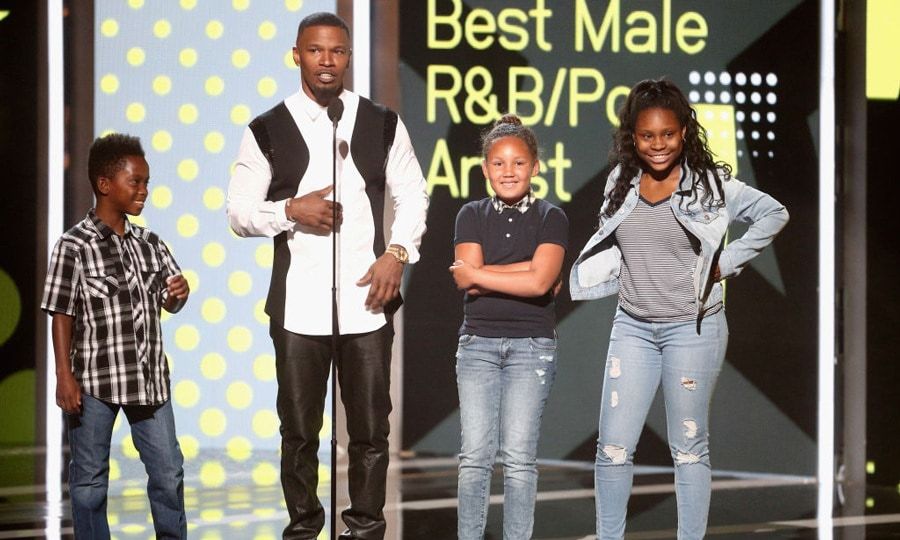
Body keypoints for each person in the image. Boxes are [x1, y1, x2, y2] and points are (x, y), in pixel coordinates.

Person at [226, 11, 428, 540]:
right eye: (315, 51)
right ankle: (303, 528)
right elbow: (239, 213)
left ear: (348, 57)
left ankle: (364, 529)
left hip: (367, 302)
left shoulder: (381, 122)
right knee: (298, 433)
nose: (327, 61)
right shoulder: (266, 129)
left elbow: (413, 194)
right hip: (298, 308)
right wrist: (290, 210)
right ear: (297, 54)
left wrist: (397, 252)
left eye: (337, 51)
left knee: (369, 434)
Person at [569, 78, 789, 539]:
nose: (658, 145)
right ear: (632, 136)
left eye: (667, 134)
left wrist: (725, 263)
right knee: (611, 448)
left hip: (692, 329)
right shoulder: (620, 181)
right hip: (631, 327)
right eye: (647, 135)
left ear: (684, 131)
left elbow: (774, 212)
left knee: (688, 449)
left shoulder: (710, 185)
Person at [41, 133, 190, 539]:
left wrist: (178, 294)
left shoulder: (150, 244)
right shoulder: (73, 246)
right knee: (89, 483)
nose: (144, 190)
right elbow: (61, 312)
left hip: (149, 382)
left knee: (168, 474)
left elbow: (169, 300)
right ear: (105, 184)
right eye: (135, 181)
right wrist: (64, 376)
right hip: (95, 382)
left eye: (146, 182)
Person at [449, 114, 568, 540]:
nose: (508, 172)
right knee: (474, 457)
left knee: (518, 459)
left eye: (518, 163)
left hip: (531, 348)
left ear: (535, 166)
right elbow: (469, 276)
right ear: (485, 169)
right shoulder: (471, 214)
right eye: (498, 164)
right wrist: (529, 271)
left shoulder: (552, 217)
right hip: (478, 345)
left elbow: (540, 283)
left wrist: (484, 274)